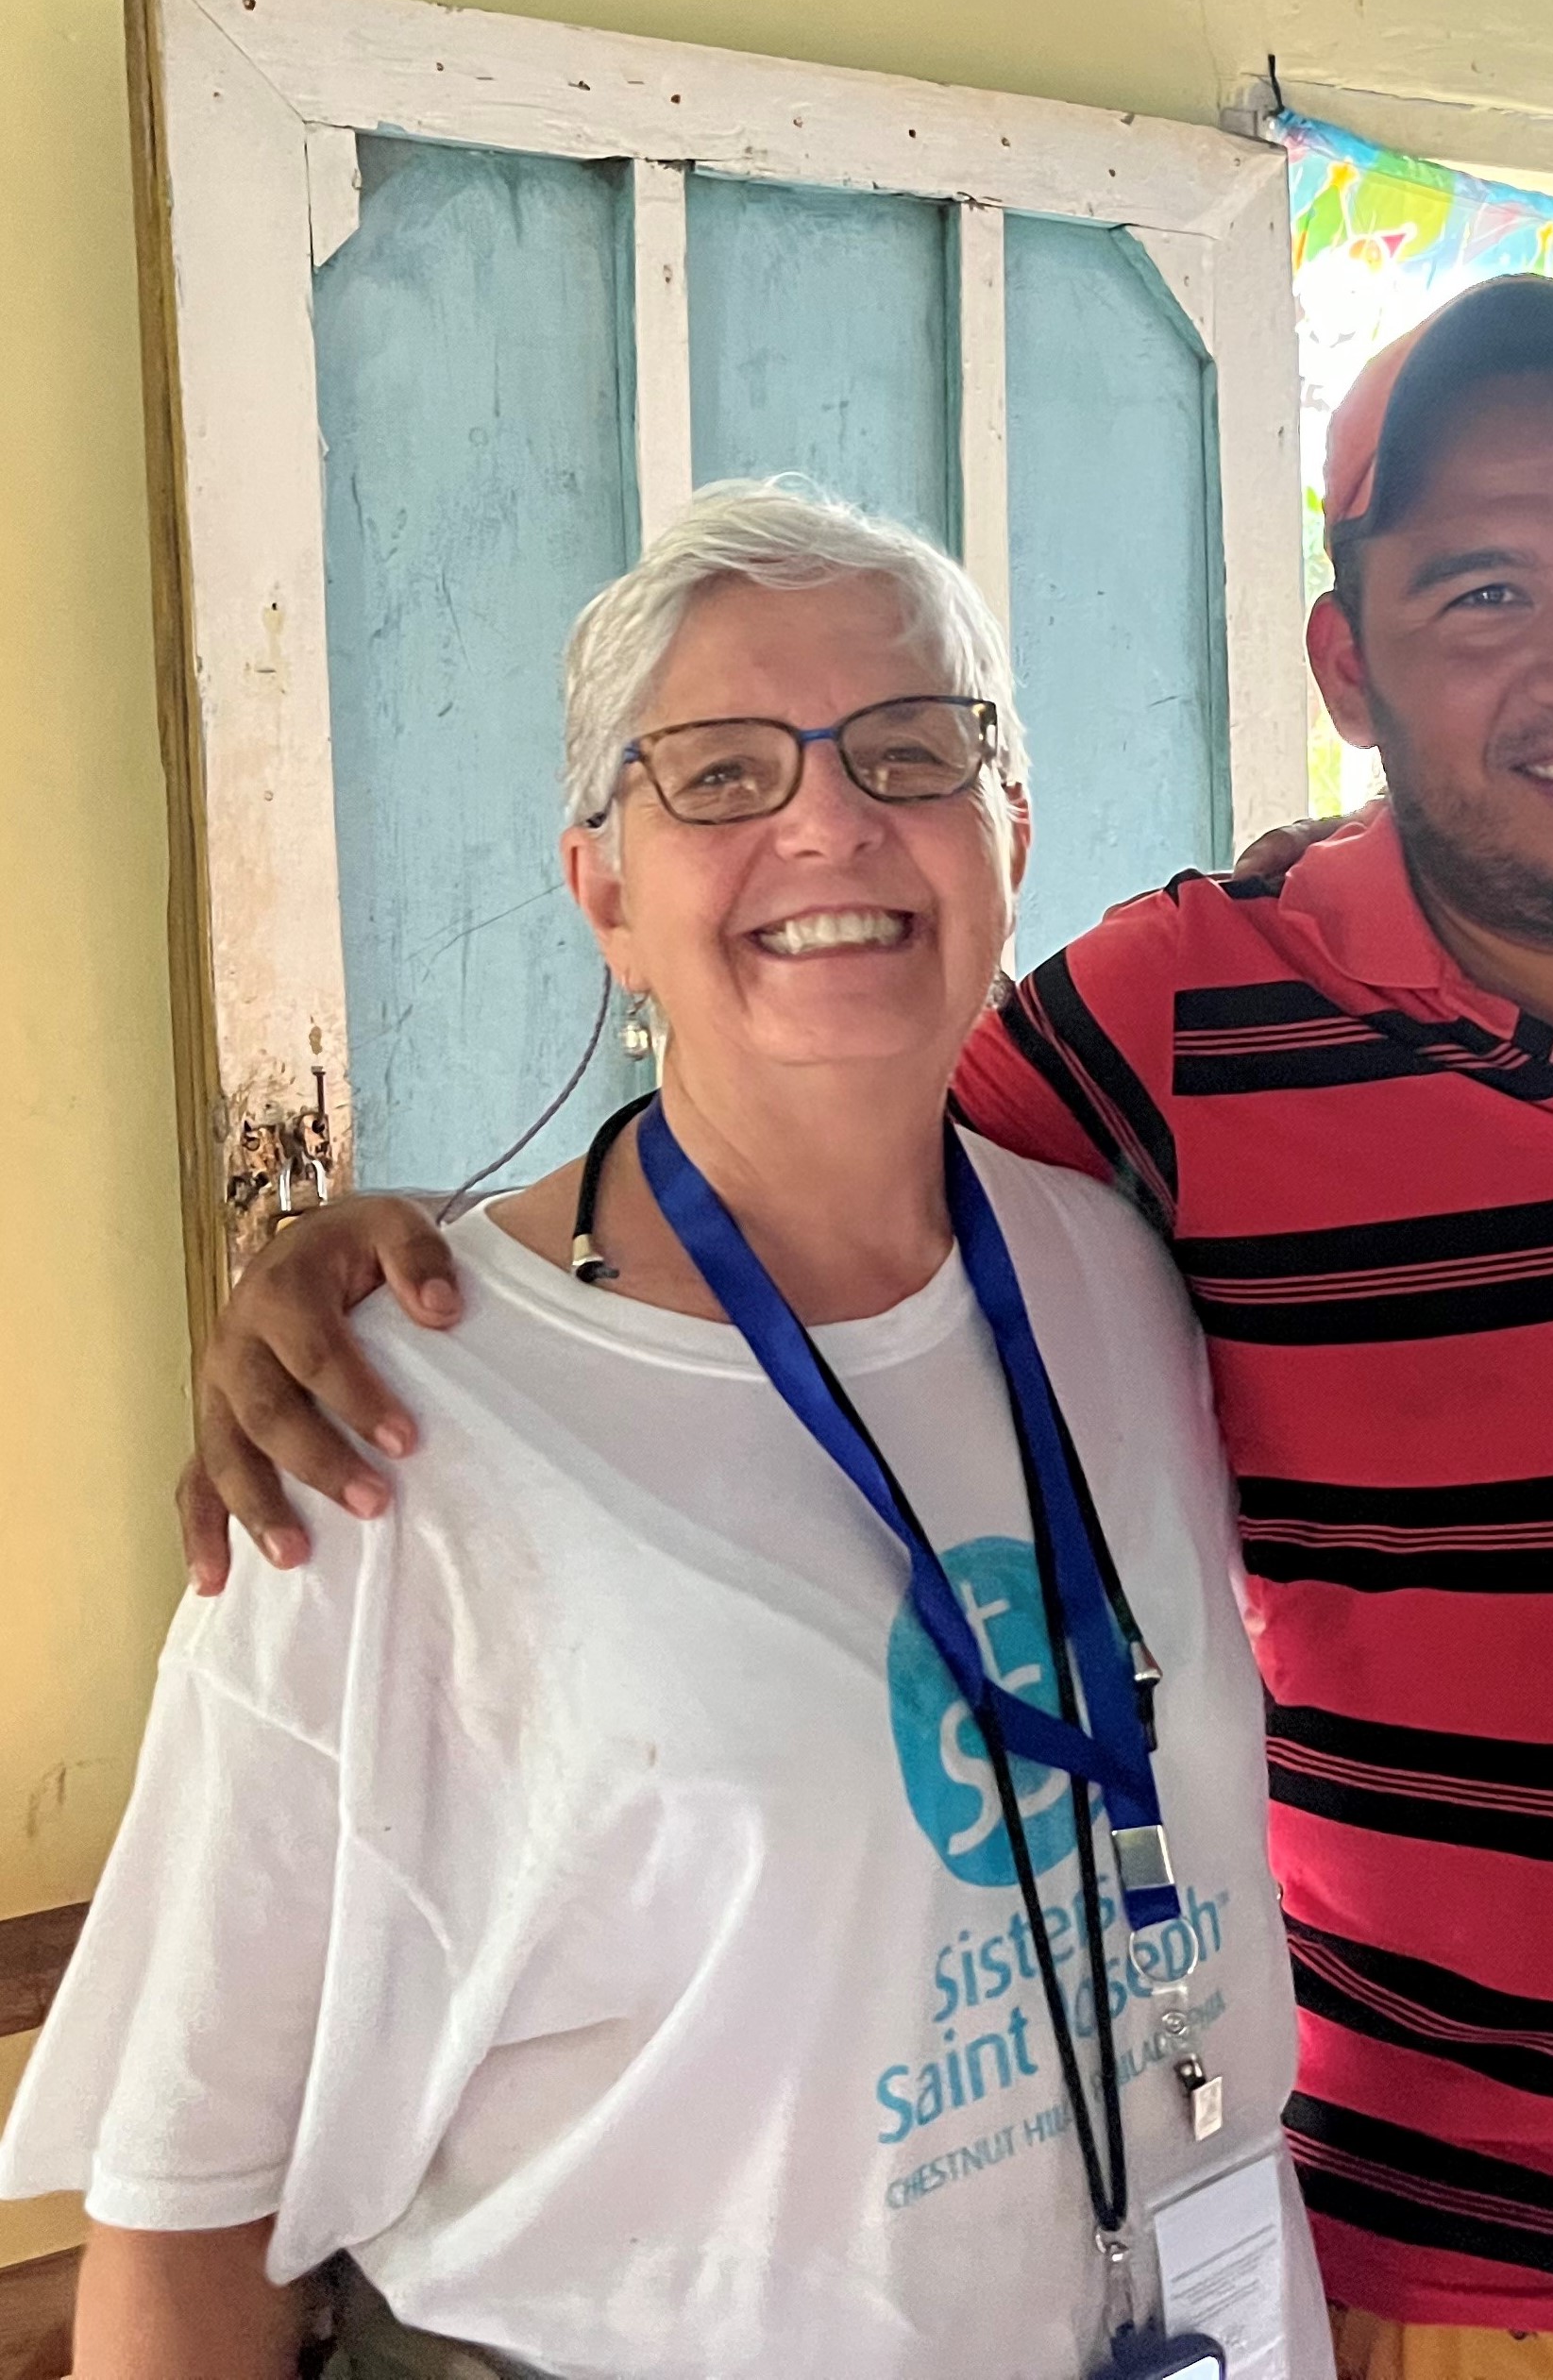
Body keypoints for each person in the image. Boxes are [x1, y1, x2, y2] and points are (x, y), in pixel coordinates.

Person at [174, 280, 1553, 2380]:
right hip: (1453, 2272)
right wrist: (399, 1260)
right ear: (1343, 663)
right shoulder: (1174, 1024)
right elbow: (805, 1158)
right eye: (1478, 592)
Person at [4, 486, 1327, 2378]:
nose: (827, 818)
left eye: (909, 747)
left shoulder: (1114, 1270)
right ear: (602, 886)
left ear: (1008, 828)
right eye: (715, 774)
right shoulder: (390, 1436)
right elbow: (179, 2215)